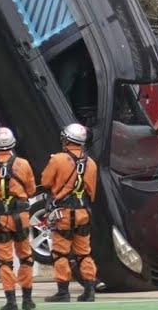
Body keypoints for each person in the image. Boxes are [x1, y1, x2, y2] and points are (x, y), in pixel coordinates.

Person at [0, 127, 37, 310]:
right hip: (21, 218)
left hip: (0, 220)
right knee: (25, 256)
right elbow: (32, 190)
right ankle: (27, 299)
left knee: (5, 260)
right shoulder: (23, 164)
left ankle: (11, 301)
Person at [39, 123, 98, 303]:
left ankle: (63, 292)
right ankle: (89, 290)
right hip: (84, 213)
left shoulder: (57, 159)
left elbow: (45, 181)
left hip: (64, 213)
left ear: (66, 139)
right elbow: (92, 193)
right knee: (84, 253)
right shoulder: (91, 163)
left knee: (60, 253)